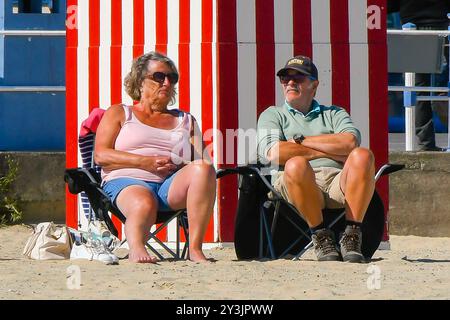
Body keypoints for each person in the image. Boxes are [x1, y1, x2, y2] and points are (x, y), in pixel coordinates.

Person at [94, 51, 216, 263]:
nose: (167, 83)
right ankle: (137, 248)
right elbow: (101, 155)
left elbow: (203, 160)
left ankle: (195, 249)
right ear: (140, 81)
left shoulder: (186, 119)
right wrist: (145, 162)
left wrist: (179, 163)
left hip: (169, 186)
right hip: (126, 180)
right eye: (159, 77)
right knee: (144, 202)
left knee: (204, 169)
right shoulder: (120, 113)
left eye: (172, 78)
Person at [257, 56, 375, 263]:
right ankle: (321, 235)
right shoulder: (272, 114)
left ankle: (352, 234)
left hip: (337, 181)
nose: (290, 82)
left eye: (298, 78)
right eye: (285, 78)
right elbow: (274, 153)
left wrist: (301, 141)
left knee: (363, 155)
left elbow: (350, 143)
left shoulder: (334, 113)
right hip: (297, 182)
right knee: (296, 164)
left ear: (314, 84)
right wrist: (329, 151)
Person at [388, 0, 450, 151]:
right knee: (441, 89)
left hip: (412, 34)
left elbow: (388, 6)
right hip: (442, 32)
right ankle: (440, 107)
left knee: (417, 88)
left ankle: (426, 142)